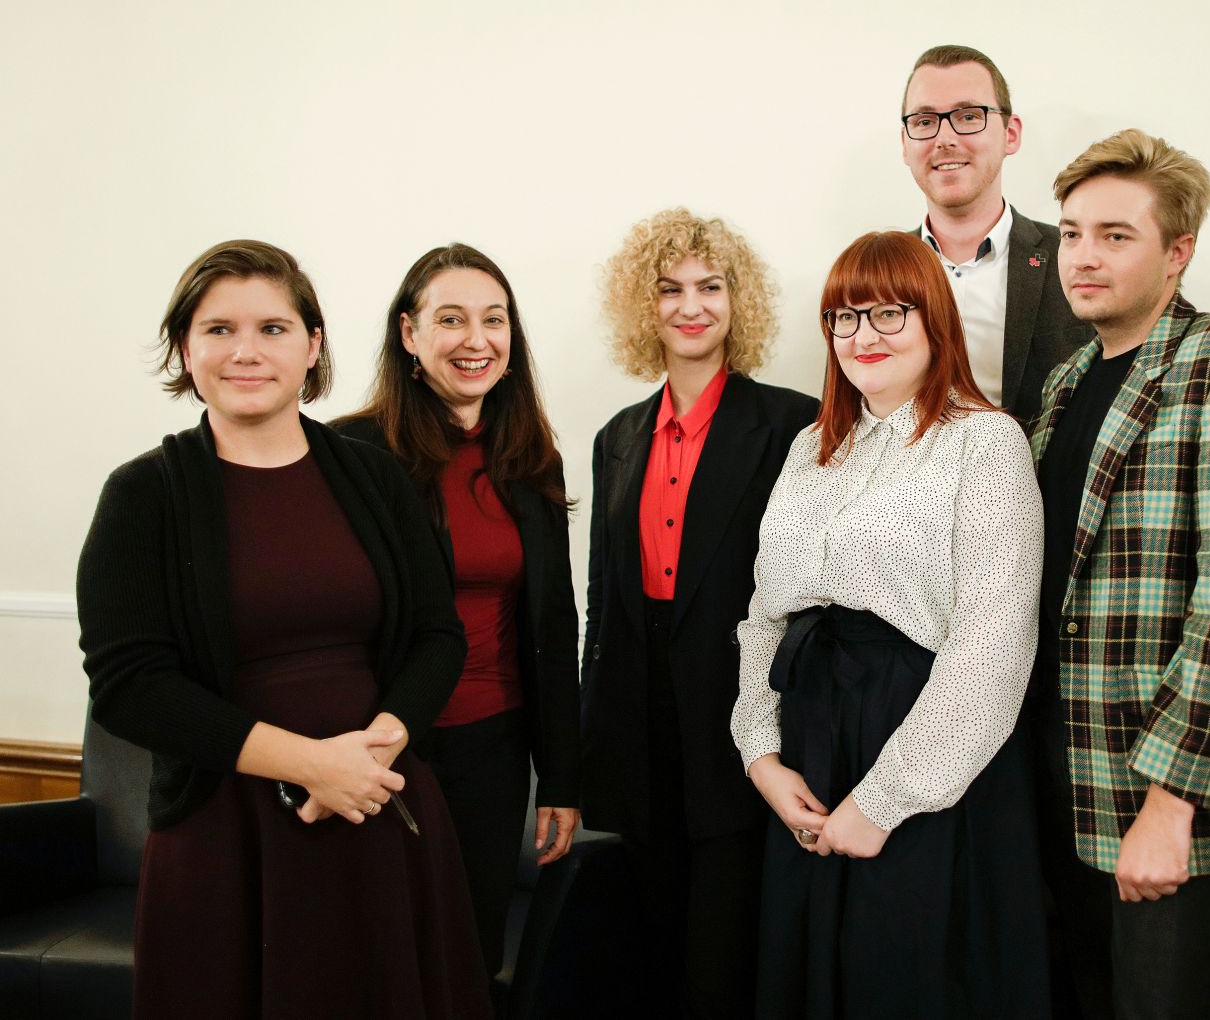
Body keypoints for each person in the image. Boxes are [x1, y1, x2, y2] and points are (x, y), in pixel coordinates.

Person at [75, 239, 490, 1018]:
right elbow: (130, 687)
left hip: (378, 807)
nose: (246, 351)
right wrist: (307, 764)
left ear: (313, 346)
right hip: (223, 834)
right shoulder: (142, 496)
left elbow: (438, 634)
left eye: (272, 328)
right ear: (184, 349)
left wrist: (372, 754)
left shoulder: (375, 477)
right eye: (218, 329)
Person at [731, 230, 1050, 1019]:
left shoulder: (985, 442)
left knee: (903, 973)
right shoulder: (811, 448)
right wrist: (760, 754)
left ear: (936, 320)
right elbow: (763, 615)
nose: (863, 336)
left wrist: (885, 801)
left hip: (924, 749)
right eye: (844, 318)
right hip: (810, 741)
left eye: (888, 313)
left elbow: (994, 640)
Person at [1030, 129, 1210, 1020]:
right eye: (1071, 233)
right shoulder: (1068, 380)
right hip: (1061, 790)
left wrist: (1172, 801)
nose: (1083, 256)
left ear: (1177, 251)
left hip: (1169, 813)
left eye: (1116, 235)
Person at [581, 209, 818, 1018]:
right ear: (643, 308)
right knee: (652, 939)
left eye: (709, 287)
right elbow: (602, 608)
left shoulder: (791, 423)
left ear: (736, 301)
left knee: (726, 949)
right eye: (670, 289)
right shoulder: (617, 437)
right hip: (636, 725)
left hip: (741, 714)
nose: (691, 305)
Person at [335, 243, 581, 984]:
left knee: (468, 949)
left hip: (494, 749)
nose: (476, 340)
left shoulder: (533, 457)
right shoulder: (352, 451)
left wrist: (562, 779)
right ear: (409, 334)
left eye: (494, 320)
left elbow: (554, 624)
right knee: (378, 953)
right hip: (382, 747)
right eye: (451, 320)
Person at [899, 44, 1090, 426]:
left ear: (1011, 134)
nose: (945, 138)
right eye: (924, 121)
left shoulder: (1077, 259)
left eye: (969, 116)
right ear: (905, 143)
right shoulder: (874, 271)